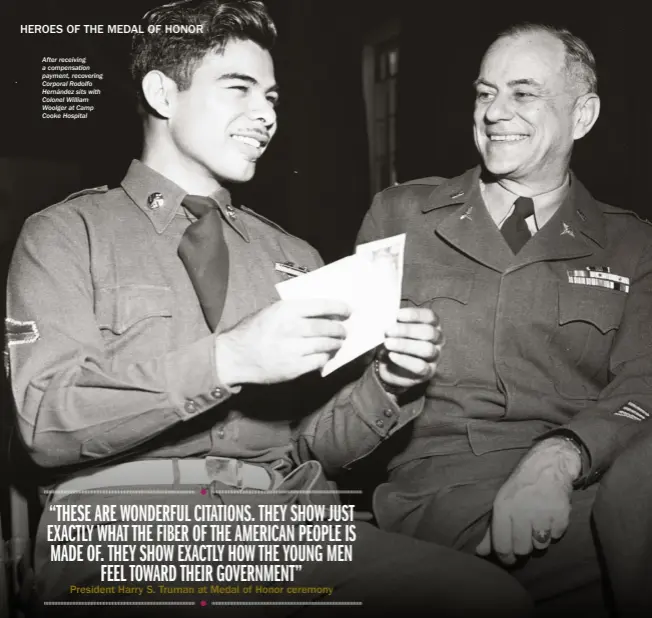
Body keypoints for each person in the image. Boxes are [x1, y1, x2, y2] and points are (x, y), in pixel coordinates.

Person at [5, 1, 533, 617]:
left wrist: (388, 384)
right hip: (123, 532)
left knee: (487, 599)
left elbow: (315, 448)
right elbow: (45, 424)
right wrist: (230, 358)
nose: (265, 115)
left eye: (274, 99)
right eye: (239, 90)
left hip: (285, 530)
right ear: (162, 93)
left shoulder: (294, 255)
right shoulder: (66, 234)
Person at [357, 22, 652, 615]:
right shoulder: (401, 214)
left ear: (584, 114)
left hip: (593, 477)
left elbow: (642, 385)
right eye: (485, 92)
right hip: (446, 490)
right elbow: (345, 389)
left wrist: (560, 456)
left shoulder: (632, 243)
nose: (495, 112)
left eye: (523, 93)